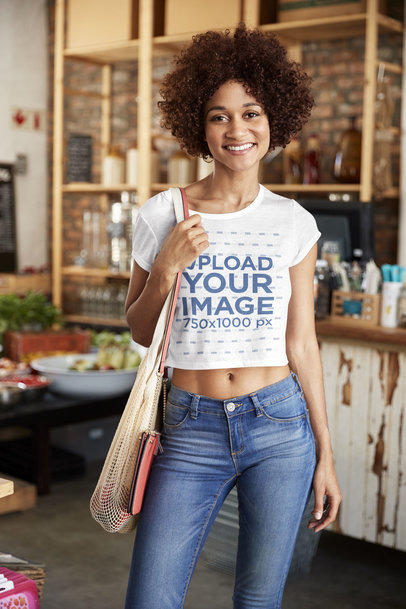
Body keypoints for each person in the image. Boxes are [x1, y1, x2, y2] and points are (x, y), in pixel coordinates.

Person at [124, 24, 342, 609]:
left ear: (274, 121)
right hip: (188, 427)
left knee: (258, 599)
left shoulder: (293, 222)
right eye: (219, 116)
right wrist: (168, 266)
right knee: (151, 599)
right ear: (199, 124)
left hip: (279, 425)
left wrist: (326, 453)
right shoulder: (162, 213)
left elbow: (303, 344)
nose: (237, 130)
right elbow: (142, 331)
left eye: (251, 113)